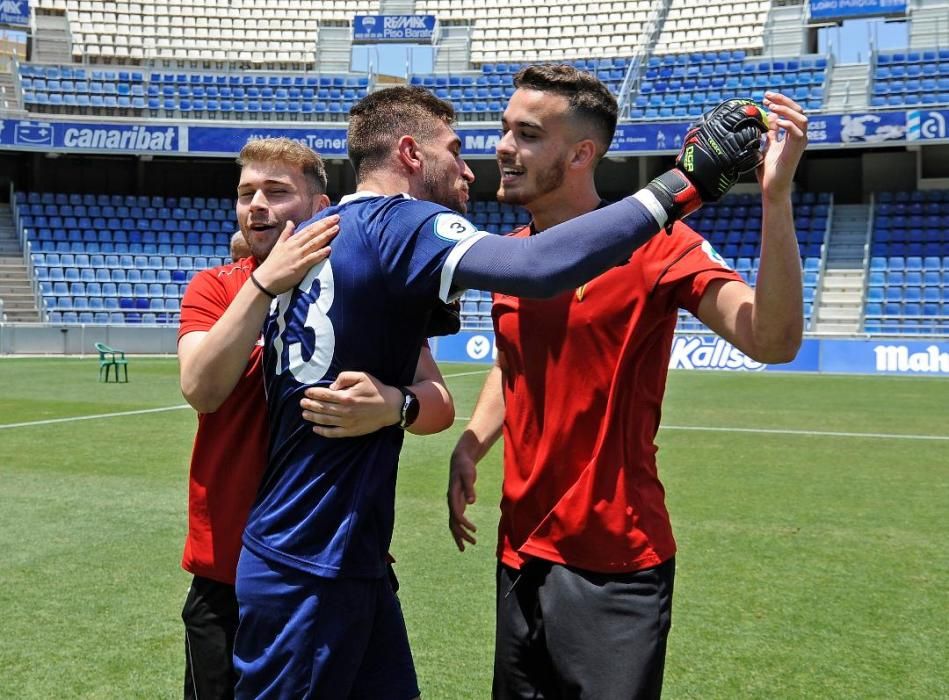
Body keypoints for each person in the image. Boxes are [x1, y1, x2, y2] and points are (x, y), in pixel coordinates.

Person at [233, 85, 771, 698]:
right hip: (308, 561)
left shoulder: (325, 235)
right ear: (411, 154)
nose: (472, 166)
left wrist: (410, 410)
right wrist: (684, 185)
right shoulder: (403, 222)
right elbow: (538, 268)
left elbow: (435, 384)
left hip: (347, 558)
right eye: (455, 150)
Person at [447, 65, 808, 699]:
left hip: (615, 565)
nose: (504, 146)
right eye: (505, 129)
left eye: (527, 134)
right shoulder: (512, 257)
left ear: (582, 153)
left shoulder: (660, 245)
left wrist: (774, 199)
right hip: (519, 554)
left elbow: (771, 340)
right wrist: (472, 442)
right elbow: (512, 364)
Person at [177, 137, 455, 699]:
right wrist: (263, 285)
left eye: (276, 192)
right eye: (245, 193)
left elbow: (439, 405)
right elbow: (202, 389)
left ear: (322, 208)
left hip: (340, 559)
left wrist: (394, 405)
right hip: (229, 568)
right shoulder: (218, 286)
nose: (256, 205)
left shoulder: (365, 285)